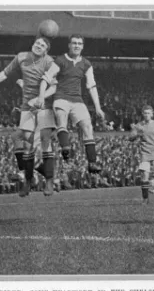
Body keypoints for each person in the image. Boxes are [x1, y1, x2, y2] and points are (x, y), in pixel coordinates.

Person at [38, 34, 105, 174]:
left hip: (77, 100)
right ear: (69, 45)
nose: (76, 46)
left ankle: (92, 163)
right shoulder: (60, 61)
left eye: (79, 44)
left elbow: (91, 86)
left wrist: (98, 107)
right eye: (74, 43)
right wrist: (41, 97)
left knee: (87, 126)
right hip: (61, 98)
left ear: (82, 46)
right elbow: (46, 78)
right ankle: (65, 147)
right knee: (62, 119)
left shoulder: (86, 64)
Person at [0, 37, 57, 197]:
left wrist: (41, 98)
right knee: (20, 139)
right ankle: (28, 176)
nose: (39, 46)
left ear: (46, 50)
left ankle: (49, 181)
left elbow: (53, 87)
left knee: (45, 142)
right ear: (33, 44)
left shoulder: (48, 61)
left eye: (42, 45)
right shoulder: (21, 57)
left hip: (43, 106)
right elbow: (4, 74)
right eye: (37, 43)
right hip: (27, 107)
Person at [129, 105, 154, 203]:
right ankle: (145, 198)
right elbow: (130, 138)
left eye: (148, 113)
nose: (147, 115)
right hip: (144, 152)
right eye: (145, 113)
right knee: (144, 175)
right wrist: (137, 134)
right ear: (142, 114)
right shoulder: (139, 126)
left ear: (152, 114)